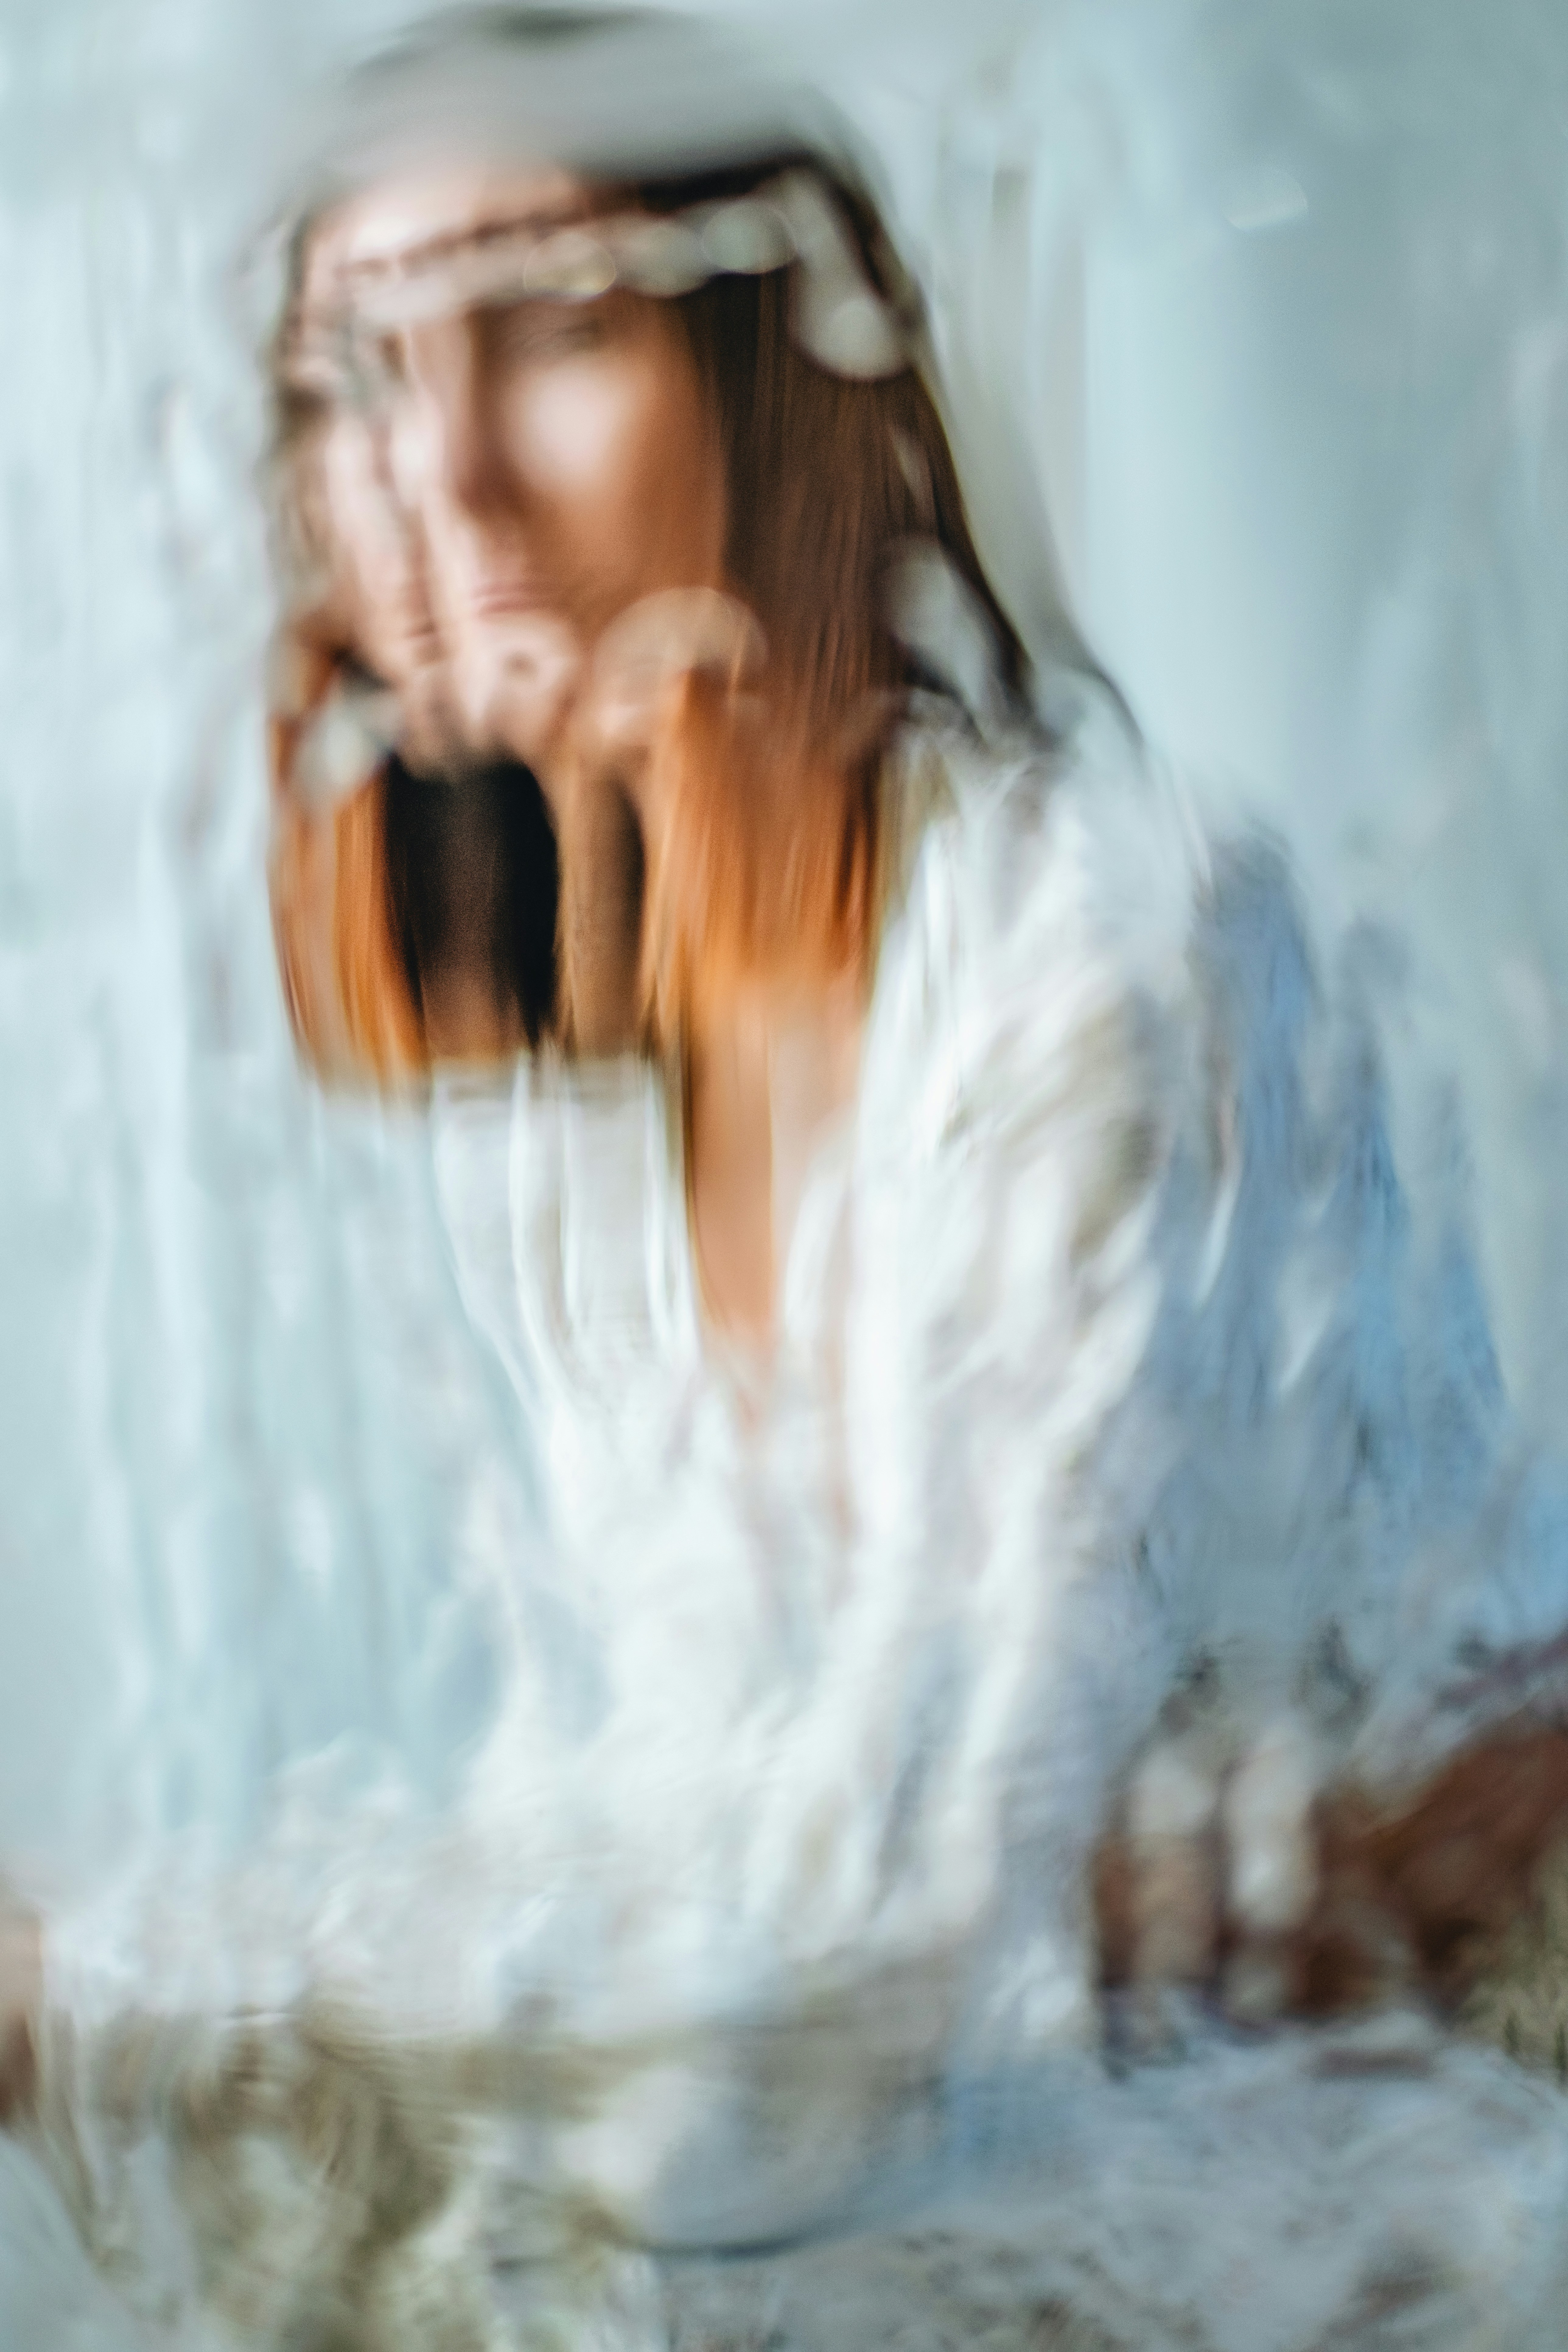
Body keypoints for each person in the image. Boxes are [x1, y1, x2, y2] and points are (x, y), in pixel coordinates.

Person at [6, 10, 1568, 2347]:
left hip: (1367, 2214)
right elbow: (673, 1848)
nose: (443, 479)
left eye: (550, 332)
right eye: (350, 378)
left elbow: (896, 1935)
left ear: (774, 382)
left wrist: (112, 1990)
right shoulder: (574, 1131)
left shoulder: (1099, 958)